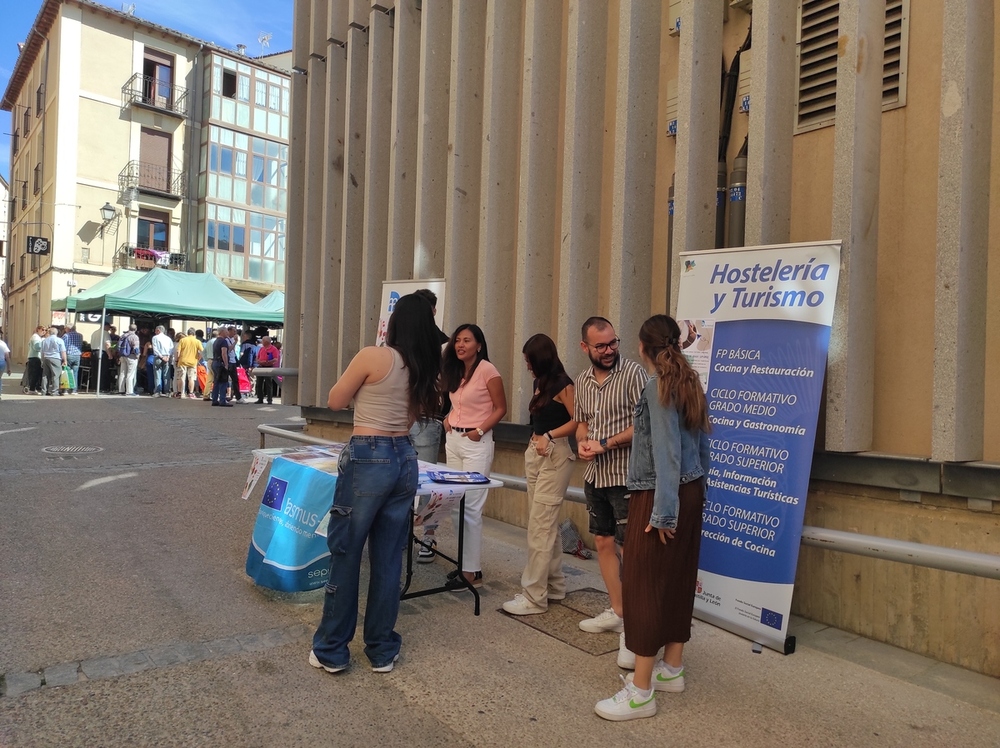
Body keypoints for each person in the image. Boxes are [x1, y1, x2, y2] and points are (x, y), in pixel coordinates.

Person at [310, 293, 441, 674]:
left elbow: (335, 400)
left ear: (395, 323)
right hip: (405, 457)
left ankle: (332, 650)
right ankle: (381, 649)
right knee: (387, 560)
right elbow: (414, 416)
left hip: (368, 455)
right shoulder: (422, 367)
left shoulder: (373, 356)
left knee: (347, 553)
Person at [594, 315, 710, 722]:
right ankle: (671, 669)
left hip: (661, 495)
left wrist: (663, 514)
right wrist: (696, 499)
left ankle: (641, 690)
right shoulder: (689, 380)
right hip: (690, 492)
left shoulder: (657, 384)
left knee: (643, 586)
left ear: (643, 348)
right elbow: (702, 445)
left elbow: (667, 453)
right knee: (678, 579)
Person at [574, 317, 648, 660]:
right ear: (585, 347)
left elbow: (645, 424)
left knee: (628, 550)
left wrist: (606, 443)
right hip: (595, 475)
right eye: (601, 346)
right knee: (602, 541)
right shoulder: (582, 382)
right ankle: (618, 612)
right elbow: (583, 422)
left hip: (626, 475)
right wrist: (582, 443)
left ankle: (636, 629)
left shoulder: (633, 374)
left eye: (613, 343)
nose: (609, 351)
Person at [425, 324, 507, 590]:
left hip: (476, 444)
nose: (460, 345)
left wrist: (479, 430)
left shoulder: (488, 370)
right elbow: (455, 403)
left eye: (467, 340)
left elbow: (500, 408)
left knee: (471, 508)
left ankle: (471, 572)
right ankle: (466, 566)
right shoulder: (455, 370)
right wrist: (448, 419)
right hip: (454, 441)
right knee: (457, 505)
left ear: (479, 345)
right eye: (457, 340)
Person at [502, 334, 577, 616]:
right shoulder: (540, 383)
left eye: (529, 360)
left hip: (555, 454)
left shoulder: (563, 384)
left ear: (541, 359)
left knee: (540, 527)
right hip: (536, 452)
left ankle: (534, 597)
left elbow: (578, 420)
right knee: (545, 524)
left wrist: (549, 435)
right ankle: (554, 586)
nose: (527, 366)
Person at [408, 289, 450, 464]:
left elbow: (447, 383)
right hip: (397, 415)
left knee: (425, 479)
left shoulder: (444, 344)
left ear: (434, 311)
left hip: (427, 417)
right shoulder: (403, 341)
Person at [174, 328, 203, 399]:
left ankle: (180, 393)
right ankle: (191, 393)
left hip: (182, 361)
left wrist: (177, 360)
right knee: (191, 378)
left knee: (181, 377)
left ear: (187, 333)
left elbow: (178, 351)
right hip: (193, 362)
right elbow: (202, 351)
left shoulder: (182, 340)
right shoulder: (197, 341)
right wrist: (198, 359)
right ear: (194, 334)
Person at [39, 327, 68, 396]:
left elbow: (42, 352)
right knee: (56, 375)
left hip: (46, 358)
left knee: (45, 375)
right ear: (56, 333)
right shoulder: (59, 340)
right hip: (56, 358)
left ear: (49, 333)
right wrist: (65, 360)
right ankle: (54, 391)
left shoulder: (44, 341)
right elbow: (63, 351)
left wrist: (42, 361)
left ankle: (44, 391)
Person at [117, 324, 141, 396]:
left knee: (122, 373)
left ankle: (121, 390)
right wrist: (137, 356)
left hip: (122, 356)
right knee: (130, 374)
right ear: (136, 329)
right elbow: (136, 348)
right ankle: (129, 391)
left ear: (129, 328)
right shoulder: (134, 337)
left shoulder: (123, 335)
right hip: (131, 356)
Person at [255, 335, 280, 404]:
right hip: (261, 367)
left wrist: (268, 362)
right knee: (259, 383)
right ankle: (260, 398)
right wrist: (259, 361)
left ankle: (269, 399)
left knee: (268, 383)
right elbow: (257, 357)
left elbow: (276, 359)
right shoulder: (262, 349)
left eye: (263, 341)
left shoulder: (273, 349)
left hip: (269, 367)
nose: (262, 342)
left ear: (266, 341)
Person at [211, 329, 233, 406]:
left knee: (216, 382)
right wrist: (226, 364)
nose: (228, 333)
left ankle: (214, 399)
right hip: (221, 363)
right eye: (226, 331)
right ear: (222, 332)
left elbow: (227, 349)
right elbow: (224, 353)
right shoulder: (223, 341)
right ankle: (222, 401)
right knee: (223, 382)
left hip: (215, 362)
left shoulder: (216, 341)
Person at [151, 325, 173, 396]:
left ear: (158, 330)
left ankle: (158, 391)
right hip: (167, 356)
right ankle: (167, 391)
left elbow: (155, 349)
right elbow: (171, 348)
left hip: (158, 357)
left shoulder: (155, 337)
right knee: (166, 375)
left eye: (156, 330)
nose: (155, 332)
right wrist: (168, 356)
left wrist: (161, 356)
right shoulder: (168, 338)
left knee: (157, 375)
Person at [62, 325, 84, 395]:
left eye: (65, 328)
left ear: (69, 328)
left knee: (66, 371)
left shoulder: (66, 336)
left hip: (69, 355)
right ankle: (74, 390)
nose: (65, 330)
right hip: (77, 355)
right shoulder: (80, 335)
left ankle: (65, 390)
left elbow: (63, 346)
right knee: (75, 373)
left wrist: (62, 357)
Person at [26, 325, 45, 394]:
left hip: (36, 357)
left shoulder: (38, 337)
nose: (44, 331)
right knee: (34, 374)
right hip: (35, 357)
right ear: (37, 330)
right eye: (42, 330)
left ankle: (33, 388)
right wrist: (43, 343)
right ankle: (32, 389)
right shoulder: (36, 337)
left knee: (36, 374)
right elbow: (37, 347)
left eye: (45, 330)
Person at [202, 329, 218, 400]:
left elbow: (203, 352)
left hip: (209, 360)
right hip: (215, 360)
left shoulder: (208, 342)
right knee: (217, 378)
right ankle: (216, 394)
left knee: (210, 378)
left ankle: (206, 394)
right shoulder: (216, 341)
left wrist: (206, 359)